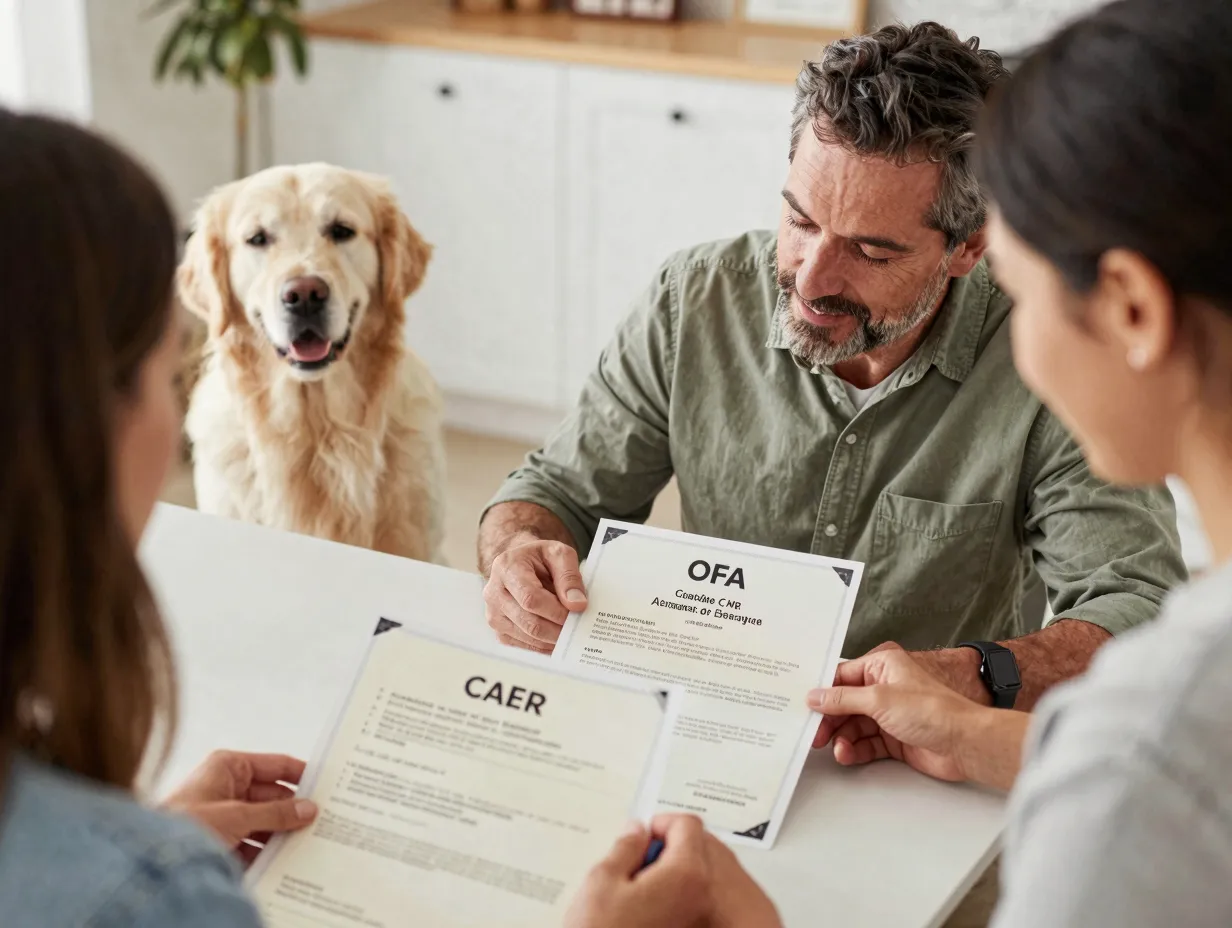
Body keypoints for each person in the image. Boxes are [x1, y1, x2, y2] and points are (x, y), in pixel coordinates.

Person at [0, 112, 777, 927]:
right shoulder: (157, 895)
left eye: (341, 233)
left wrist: (157, 840)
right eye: (165, 369)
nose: (306, 279)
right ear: (88, 418)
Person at [478, 22, 1185, 711]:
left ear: (967, 251)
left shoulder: (1049, 351)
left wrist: (967, 678)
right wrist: (519, 553)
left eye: (872, 252)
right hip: (712, 716)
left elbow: (1138, 607)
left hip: (925, 755)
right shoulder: (693, 299)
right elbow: (556, 493)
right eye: (800, 221)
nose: (812, 280)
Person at [806, 1, 1232, 923]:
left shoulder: (1146, 757)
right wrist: (978, 737)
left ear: (1130, 312)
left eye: (1019, 288)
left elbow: (1140, 786)